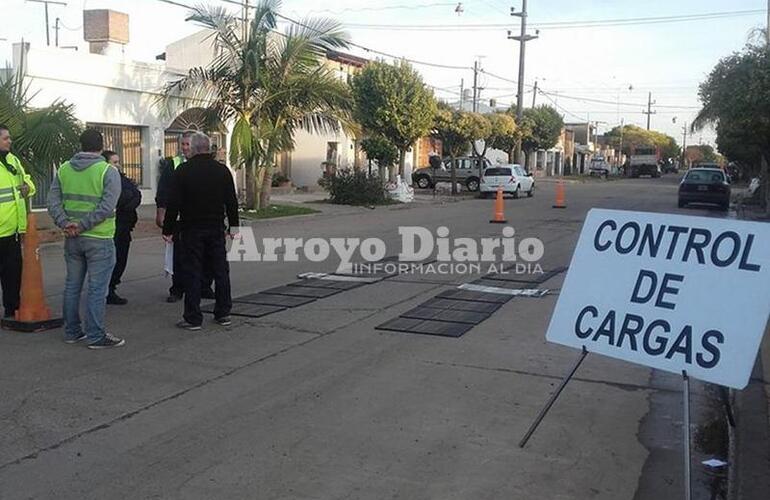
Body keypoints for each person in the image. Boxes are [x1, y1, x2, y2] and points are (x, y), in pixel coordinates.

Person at [48, 129, 124, 349]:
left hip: (72, 238)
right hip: (99, 238)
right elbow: (107, 207)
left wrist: (66, 223)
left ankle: (72, 331)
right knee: (97, 289)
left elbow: (53, 202)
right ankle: (96, 336)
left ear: (81, 145)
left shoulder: (64, 169)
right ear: (101, 146)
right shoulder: (107, 171)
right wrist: (83, 225)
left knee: (72, 286)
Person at [162, 132, 238, 331]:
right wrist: (234, 227)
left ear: (194, 148)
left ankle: (193, 318)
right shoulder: (222, 171)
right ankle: (223, 313)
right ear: (209, 148)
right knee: (221, 270)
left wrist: (168, 229)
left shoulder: (184, 171)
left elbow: (174, 204)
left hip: (191, 229)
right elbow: (231, 201)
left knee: (192, 271)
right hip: (215, 228)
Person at [155, 133, 215, 302]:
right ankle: (177, 289)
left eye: (188, 144)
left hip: (204, 217)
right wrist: (161, 211)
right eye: (183, 144)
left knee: (207, 255)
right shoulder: (174, 164)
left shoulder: (209, 165)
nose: (185, 148)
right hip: (181, 219)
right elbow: (164, 190)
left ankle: (204, 286)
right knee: (179, 256)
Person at [0, 125, 36, 319]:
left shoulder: (13, 160)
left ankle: (11, 309)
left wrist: (28, 188)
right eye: (6, 138)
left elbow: (28, 181)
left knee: (13, 275)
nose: (10, 141)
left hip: (13, 231)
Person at [103, 151, 142, 305]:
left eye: (118, 161)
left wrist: (128, 203)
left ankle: (112, 287)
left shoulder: (122, 178)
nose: (118, 165)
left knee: (121, 259)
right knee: (110, 260)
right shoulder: (105, 178)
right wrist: (126, 201)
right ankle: (106, 289)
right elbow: (117, 199)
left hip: (125, 225)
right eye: (114, 162)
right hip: (111, 227)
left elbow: (136, 195)